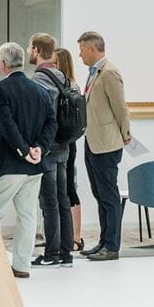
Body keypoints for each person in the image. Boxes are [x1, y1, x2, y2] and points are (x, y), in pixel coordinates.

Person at [0, 43, 56, 279]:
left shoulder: (0, 89)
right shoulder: (39, 90)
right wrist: (39, 149)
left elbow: (6, 124)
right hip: (34, 165)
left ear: (3, 64)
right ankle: (22, 265)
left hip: (8, 164)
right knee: (27, 215)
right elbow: (51, 123)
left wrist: (23, 149)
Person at [78, 31, 130, 262]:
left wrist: (126, 134)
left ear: (91, 49)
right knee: (99, 194)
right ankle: (103, 241)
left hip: (107, 144)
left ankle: (112, 246)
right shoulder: (93, 73)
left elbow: (121, 107)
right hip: (93, 140)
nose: (79, 54)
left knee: (109, 195)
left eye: (82, 49)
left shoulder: (109, 73)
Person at [28, 34, 74, 267]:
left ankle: (52, 252)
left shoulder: (37, 80)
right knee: (62, 199)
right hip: (64, 146)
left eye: (30, 47)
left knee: (49, 202)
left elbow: (37, 118)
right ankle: (66, 252)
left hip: (46, 148)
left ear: (36, 50)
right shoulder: (63, 78)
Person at [55, 47, 85, 253]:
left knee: (69, 189)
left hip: (67, 142)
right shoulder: (68, 85)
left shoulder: (68, 87)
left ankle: (75, 237)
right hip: (65, 141)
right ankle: (66, 236)